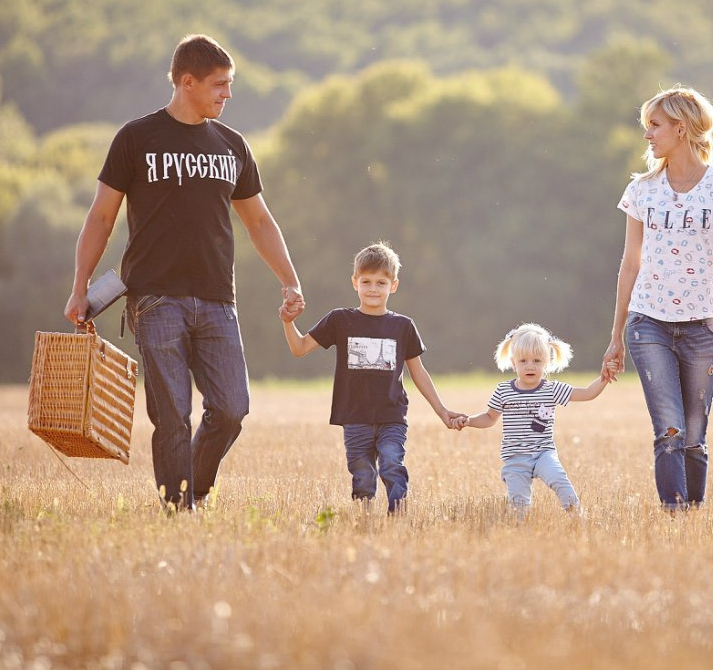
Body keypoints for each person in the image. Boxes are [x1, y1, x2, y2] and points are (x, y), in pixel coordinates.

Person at [64, 34, 305, 512]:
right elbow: (101, 217)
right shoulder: (136, 138)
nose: (227, 94)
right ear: (187, 82)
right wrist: (79, 289)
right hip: (154, 299)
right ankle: (178, 511)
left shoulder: (232, 145)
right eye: (219, 84)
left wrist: (290, 279)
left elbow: (258, 220)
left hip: (218, 298)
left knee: (233, 410)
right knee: (172, 413)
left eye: (230, 84)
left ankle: (192, 489)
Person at [601, 85, 713, 512]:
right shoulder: (642, 191)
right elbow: (629, 265)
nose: (647, 134)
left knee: (693, 437)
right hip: (648, 324)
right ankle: (674, 513)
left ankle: (692, 516)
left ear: (680, 128)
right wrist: (615, 337)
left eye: (655, 125)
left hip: (704, 328)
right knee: (669, 430)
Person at [280, 242, 464, 513]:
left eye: (381, 282)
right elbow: (299, 348)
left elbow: (418, 373)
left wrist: (442, 411)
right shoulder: (339, 320)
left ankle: (397, 514)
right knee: (362, 474)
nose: (373, 289)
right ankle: (364, 519)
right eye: (366, 281)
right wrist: (287, 321)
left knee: (392, 464)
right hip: (355, 417)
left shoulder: (403, 326)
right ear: (354, 282)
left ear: (393, 285)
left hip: (392, 416)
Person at [462, 323, 612, 513]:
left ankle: (579, 519)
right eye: (523, 361)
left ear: (547, 362)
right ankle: (519, 529)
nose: (530, 366)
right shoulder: (504, 391)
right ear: (513, 362)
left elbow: (587, 393)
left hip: (543, 454)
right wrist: (468, 421)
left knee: (560, 480)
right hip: (515, 458)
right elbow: (489, 418)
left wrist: (604, 378)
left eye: (537, 360)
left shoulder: (551, 389)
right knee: (518, 506)